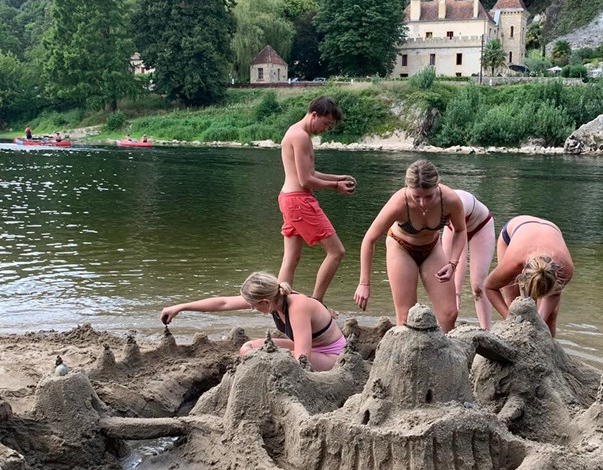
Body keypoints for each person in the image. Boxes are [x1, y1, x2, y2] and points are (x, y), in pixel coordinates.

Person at [354, 159, 466, 332]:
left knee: (449, 313)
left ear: (437, 186)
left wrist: (453, 263)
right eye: (416, 197)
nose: (422, 203)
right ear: (407, 187)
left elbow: (460, 230)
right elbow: (369, 239)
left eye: (428, 196)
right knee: (406, 316)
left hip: (432, 247)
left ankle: (444, 347)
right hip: (401, 247)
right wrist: (364, 283)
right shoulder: (399, 203)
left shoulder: (450, 200)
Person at [160, 271, 346, 371]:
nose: (250, 308)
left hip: (331, 355)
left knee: (275, 359)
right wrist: (180, 307)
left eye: (253, 305)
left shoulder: (297, 307)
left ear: (265, 302)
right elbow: (223, 303)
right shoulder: (274, 299)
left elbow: (302, 360)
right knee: (247, 349)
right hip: (309, 347)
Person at [278, 96, 356, 303]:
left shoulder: (296, 132)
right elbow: (305, 180)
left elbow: (310, 172)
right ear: (314, 115)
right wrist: (335, 186)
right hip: (299, 201)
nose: (326, 129)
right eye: (326, 123)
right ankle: (316, 302)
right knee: (336, 252)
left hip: (289, 199)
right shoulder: (301, 136)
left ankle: (279, 305)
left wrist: (337, 178)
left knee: (291, 258)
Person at [484, 216, 573, 337]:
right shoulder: (514, 262)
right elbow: (489, 287)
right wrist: (511, 321)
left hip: (550, 230)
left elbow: (555, 295)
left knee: (550, 317)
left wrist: (539, 323)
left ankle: (548, 345)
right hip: (513, 232)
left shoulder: (565, 269)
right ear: (522, 273)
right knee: (513, 300)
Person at [442, 189, 495, 330]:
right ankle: (447, 328)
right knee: (446, 280)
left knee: (478, 286)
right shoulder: (428, 204)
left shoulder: (457, 204)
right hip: (452, 229)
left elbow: (461, 256)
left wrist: (457, 292)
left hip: (481, 226)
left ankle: (486, 331)